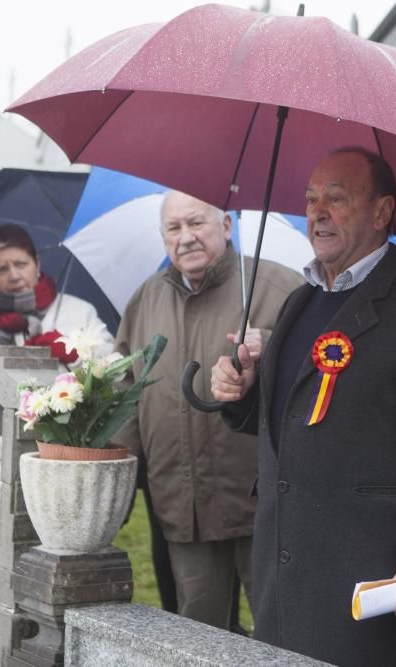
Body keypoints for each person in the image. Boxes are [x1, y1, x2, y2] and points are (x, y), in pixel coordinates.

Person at [210, 147, 396, 666]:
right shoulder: (300, 300)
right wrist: (246, 391)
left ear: (382, 212)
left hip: (368, 576)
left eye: (337, 197)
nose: (318, 212)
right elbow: (294, 411)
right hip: (283, 571)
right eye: (312, 199)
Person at [111, 191, 302, 630]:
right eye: (173, 228)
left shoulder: (278, 286)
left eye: (196, 223)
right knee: (198, 631)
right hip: (183, 504)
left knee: (282, 630)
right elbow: (126, 396)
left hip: (261, 501)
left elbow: (320, 373)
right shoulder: (146, 300)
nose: (185, 238)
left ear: (227, 226)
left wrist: (269, 345)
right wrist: (115, 487)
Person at [0, 224, 113, 364]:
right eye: (2, 269)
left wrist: (74, 356)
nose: (14, 276)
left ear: (37, 263)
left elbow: (115, 367)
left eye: (21, 264)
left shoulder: (81, 313)